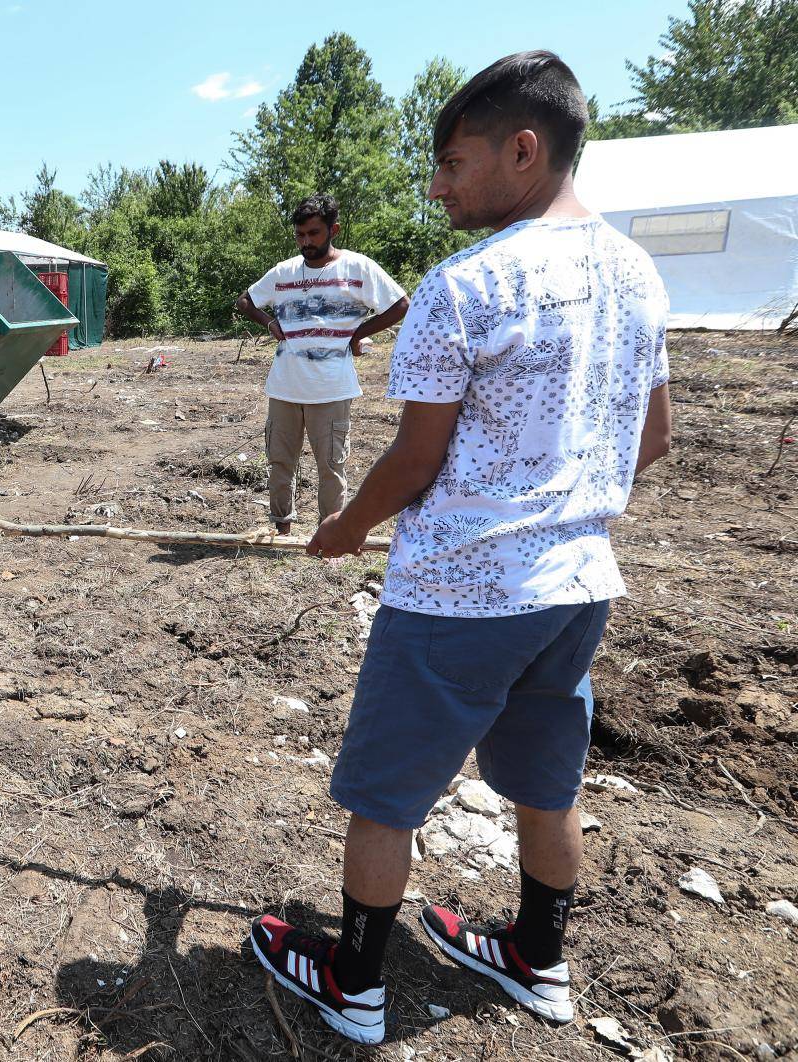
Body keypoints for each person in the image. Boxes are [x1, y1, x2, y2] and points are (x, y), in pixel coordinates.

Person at [245, 51, 673, 1045]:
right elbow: (651, 437)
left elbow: (414, 457)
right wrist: (562, 503)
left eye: (451, 162)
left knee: (384, 794)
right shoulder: (636, 270)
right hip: (575, 589)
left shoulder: (463, 284)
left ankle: (352, 981)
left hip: (458, 597)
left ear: (523, 150)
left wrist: (347, 528)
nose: (437, 186)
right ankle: (539, 959)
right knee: (542, 780)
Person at [235, 194, 409, 535]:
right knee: (281, 461)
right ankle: (280, 528)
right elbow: (245, 301)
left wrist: (358, 332)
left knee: (331, 465)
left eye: (314, 233)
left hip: (331, 389)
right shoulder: (284, 272)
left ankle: (330, 535)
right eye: (300, 235)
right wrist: (271, 324)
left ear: (334, 230)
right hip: (284, 387)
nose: (306, 242)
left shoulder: (358, 269)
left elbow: (401, 304)